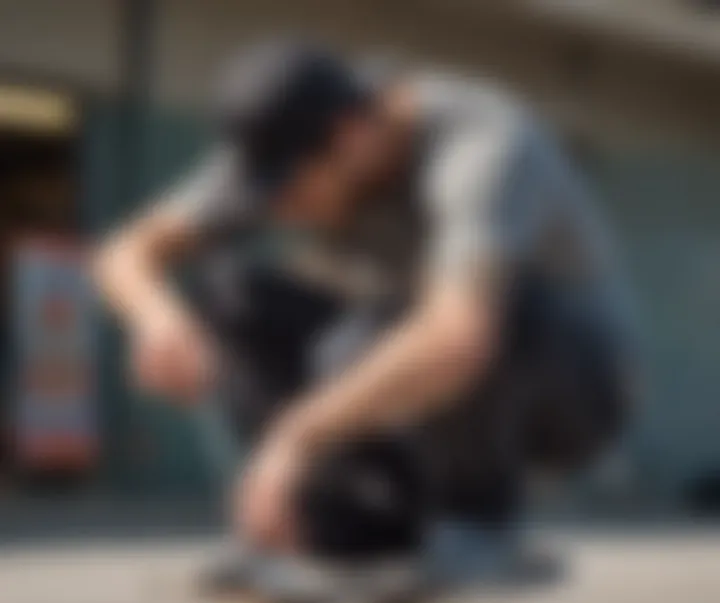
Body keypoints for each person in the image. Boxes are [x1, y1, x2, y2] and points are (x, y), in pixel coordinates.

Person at [94, 39, 634, 568]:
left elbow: (457, 338)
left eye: (291, 195)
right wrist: (156, 317)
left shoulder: (481, 143)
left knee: (436, 323)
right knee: (237, 297)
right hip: (416, 367)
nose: (279, 214)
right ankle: (351, 518)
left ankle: (475, 517)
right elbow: (126, 252)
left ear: (350, 135)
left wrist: (295, 435)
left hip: (573, 390)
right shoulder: (285, 146)